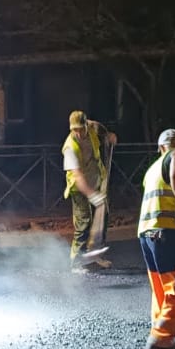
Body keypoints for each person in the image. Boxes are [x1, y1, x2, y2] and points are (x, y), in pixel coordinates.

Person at [138, 128, 175, 349]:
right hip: (167, 231)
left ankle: (163, 336)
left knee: (161, 289)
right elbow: (174, 176)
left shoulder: (152, 168)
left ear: (160, 147)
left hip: (146, 233)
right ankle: (161, 338)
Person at [62, 111, 114, 269]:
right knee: (84, 223)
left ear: (85, 125)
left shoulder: (91, 127)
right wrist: (92, 195)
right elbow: (77, 176)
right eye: (74, 130)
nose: (78, 133)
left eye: (80, 128)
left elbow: (100, 128)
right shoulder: (70, 147)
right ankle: (76, 261)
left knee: (102, 219)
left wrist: (109, 136)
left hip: (97, 181)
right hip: (79, 189)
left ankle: (96, 255)